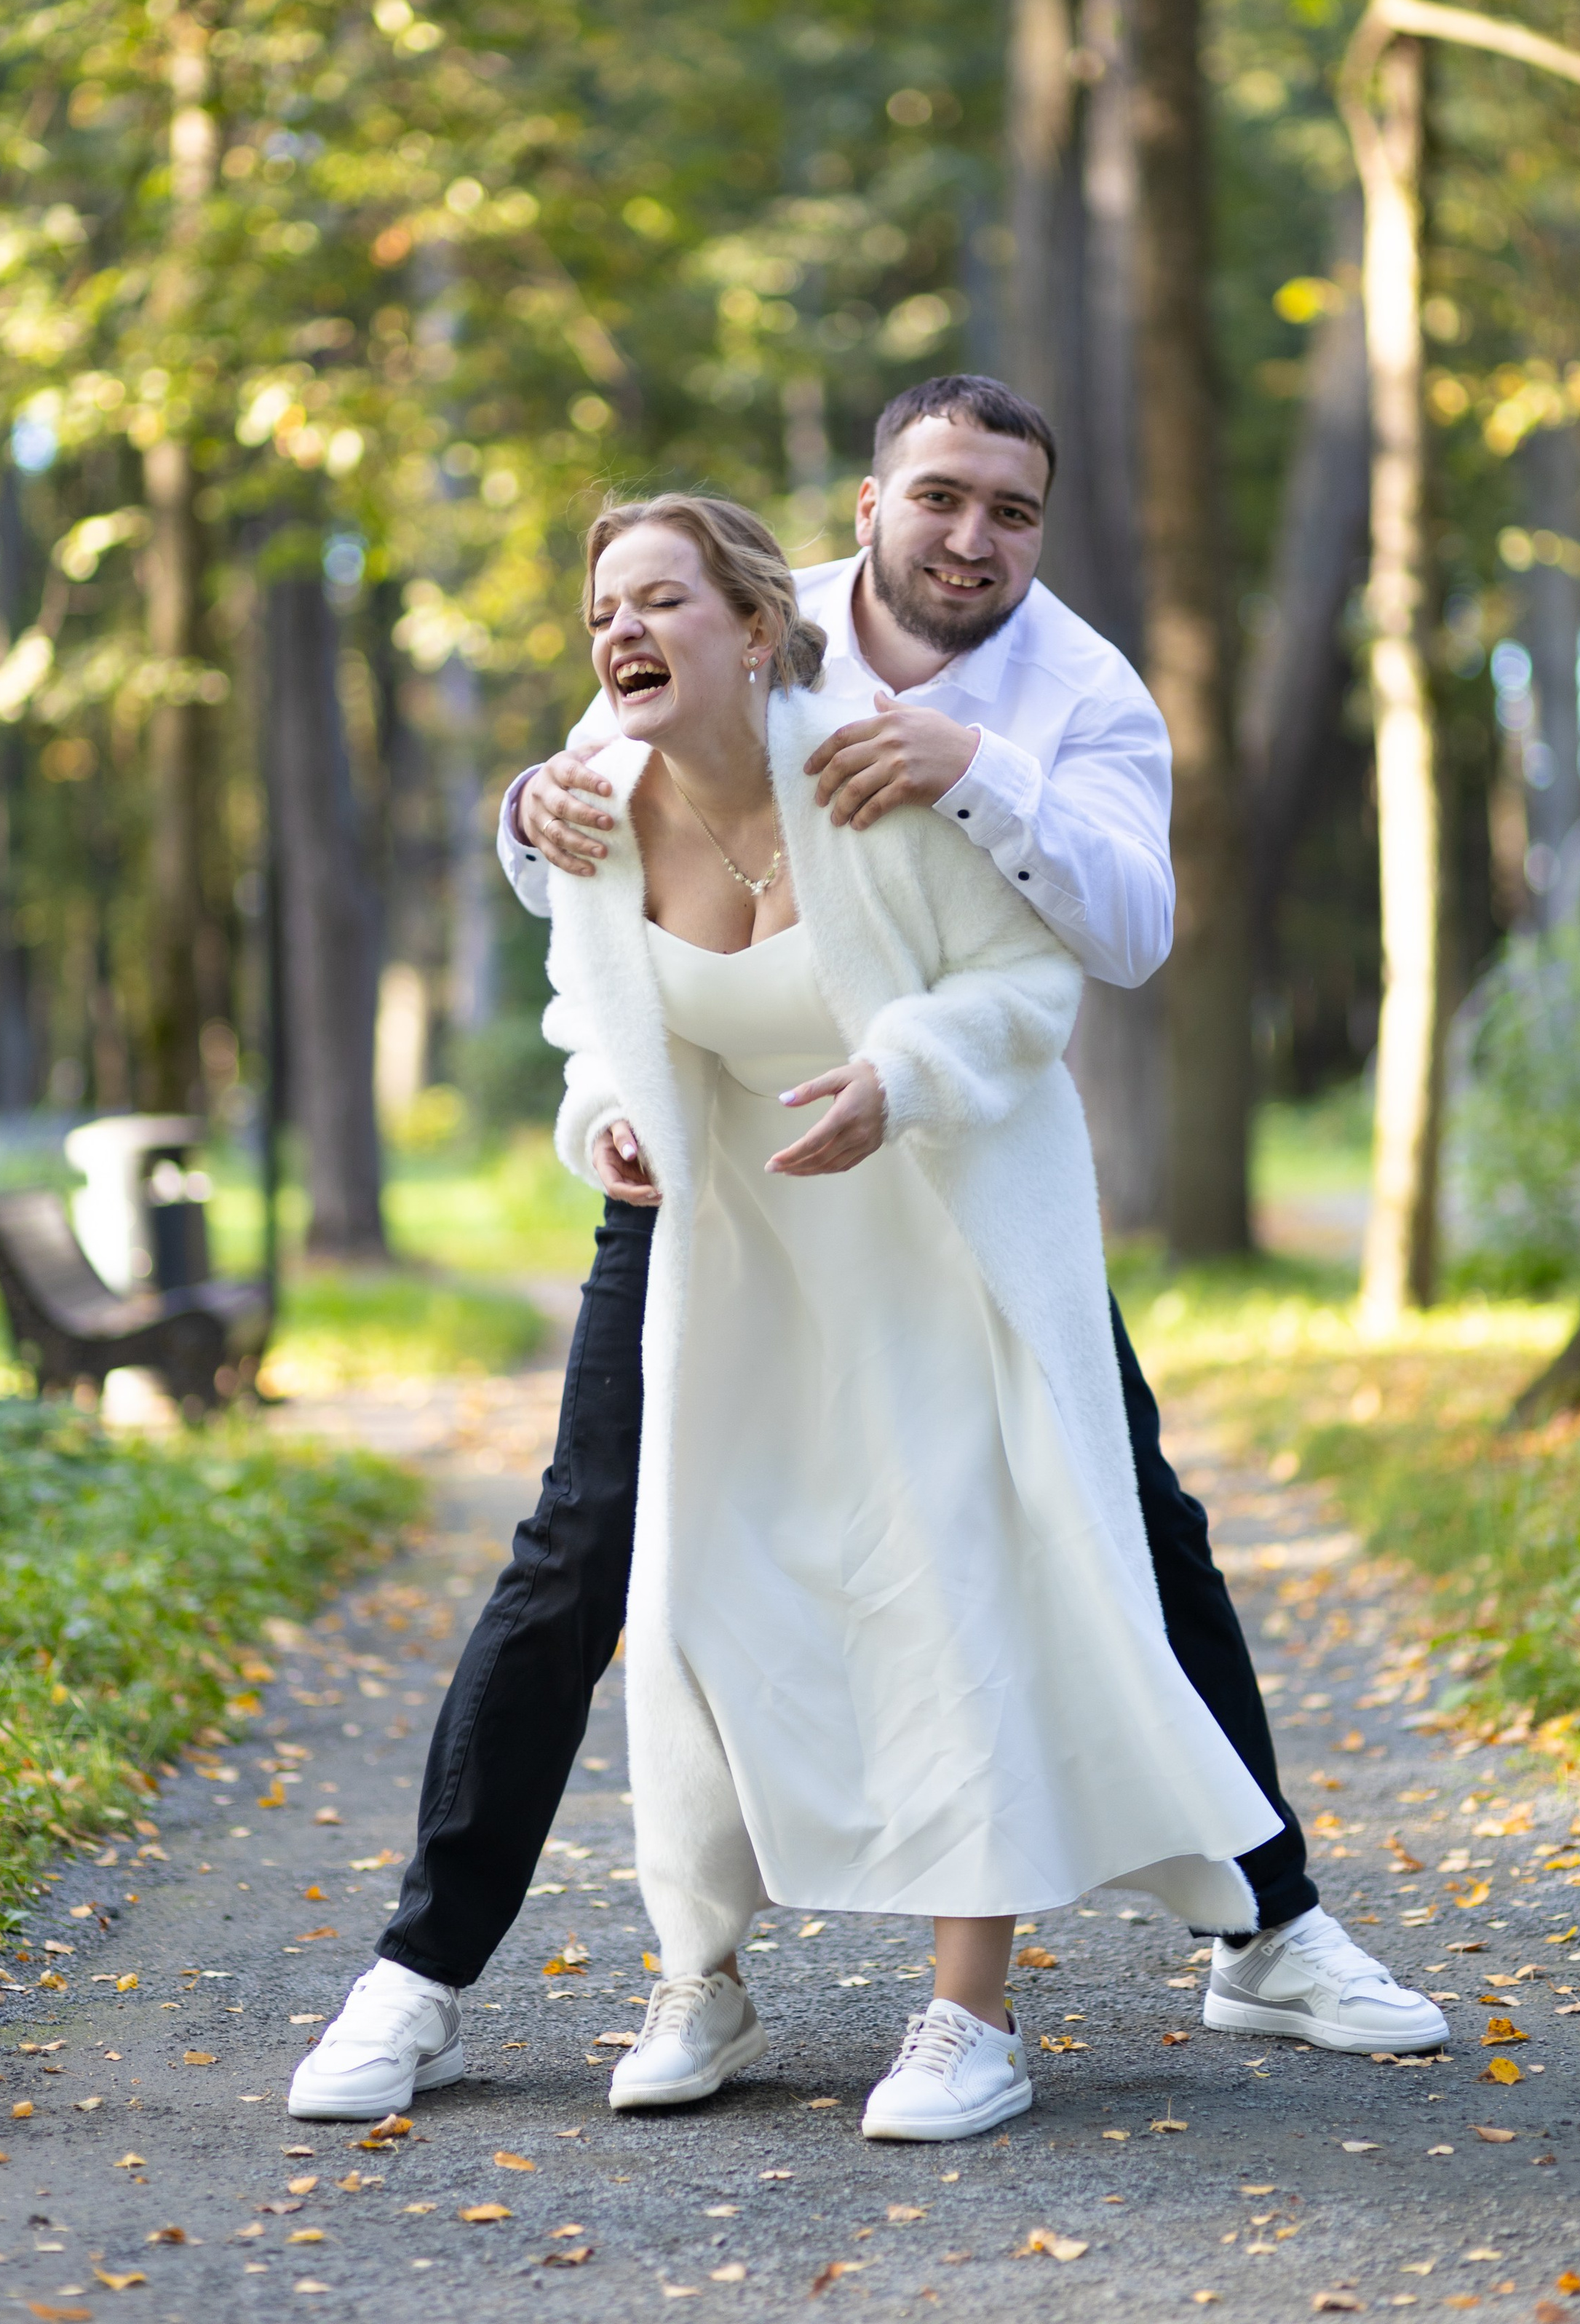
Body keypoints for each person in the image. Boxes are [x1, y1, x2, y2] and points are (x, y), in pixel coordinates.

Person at [287, 377, 1446, 2127]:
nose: (970, 537)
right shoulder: (736, 624)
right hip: (716, 1183)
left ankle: (1265, 1929)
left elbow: (1119, 937)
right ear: (860, 512)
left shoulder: (1078, 693)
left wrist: (976, 775)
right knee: (589, 1544)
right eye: (938, 497)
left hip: (956, 1178)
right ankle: (424, 1971)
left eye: (1009, 510)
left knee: (1112, 1511)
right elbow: (584, 893)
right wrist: (527, 830)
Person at [539, 489, 1284, 2137]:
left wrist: (899, 1073)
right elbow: (587, 1016)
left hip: (935, 1234)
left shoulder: (872, 778)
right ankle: (699, 1977)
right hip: (743, 1260)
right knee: (691, 1603)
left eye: (659, 600)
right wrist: (600, 1111)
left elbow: (1030, 988)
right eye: (603, 611)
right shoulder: (591, 813)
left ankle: (969, 2019)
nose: (621, 634)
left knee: (954, 1588)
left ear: (749, 625)